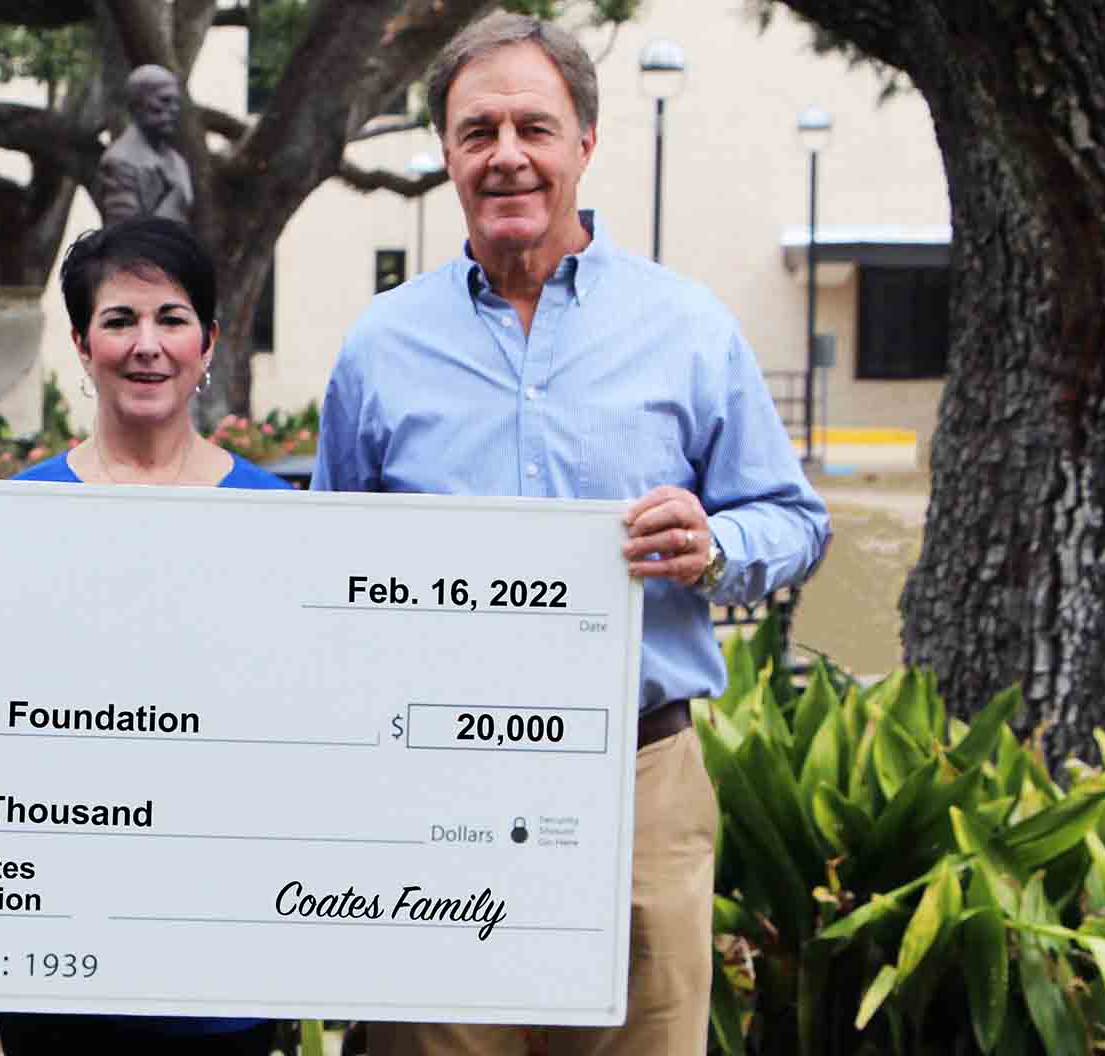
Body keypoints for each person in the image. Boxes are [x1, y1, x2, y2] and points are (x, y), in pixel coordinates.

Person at [312, 13, 829, 1056]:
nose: (506, 154)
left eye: (533, 127)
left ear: (585, 144)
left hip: (639, 782)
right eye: (477, 130)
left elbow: (796, 519)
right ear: (449, 156)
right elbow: (329, 571)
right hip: (435, 781)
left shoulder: (687, 329)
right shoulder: (380, 348)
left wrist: (717, 548)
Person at [0, 216, 285, 1055]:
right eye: (120, 321)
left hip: (221, 946)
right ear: (83, 345)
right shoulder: (12, 515)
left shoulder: (285, 520)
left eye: (171, 319)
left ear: (210, 341)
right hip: (52, 944)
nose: (146, 345)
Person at [96, 65, 195, 226]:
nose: (174, 109)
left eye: (176, 102)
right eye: (164, 100)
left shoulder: (177, 161)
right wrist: (175, 198)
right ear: (137, 103)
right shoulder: (119, 161)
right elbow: (126, 236)